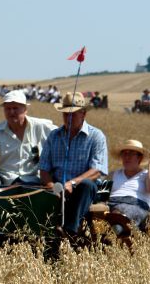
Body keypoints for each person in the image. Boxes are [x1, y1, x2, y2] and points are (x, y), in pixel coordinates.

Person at [39, 91, 108, 237]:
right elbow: (44, 169)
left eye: (73, 114)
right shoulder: (53, 136)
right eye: (65, 114)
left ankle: (69, 231)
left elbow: (97, 170)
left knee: (87, 185)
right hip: (57, 188)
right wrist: (52, 187)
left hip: (83, 191)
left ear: (83, 114)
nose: (68, 118)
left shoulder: (96, 136)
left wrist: (72, 183)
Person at [0, 90, 56, 185]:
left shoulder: (43, 127)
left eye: (15, 108)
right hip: (2, 177)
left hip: (32, 179)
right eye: (8, 109)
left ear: (25, 109)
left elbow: (63, 135)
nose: (11, 112)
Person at [107, 139, 150, 234]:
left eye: (131, 154)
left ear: (139, 158)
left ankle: (113, 235)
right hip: (111, 203)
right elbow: (101, 194)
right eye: (124, 154)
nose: (127, 157)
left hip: (136, 205)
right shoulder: (113, 174)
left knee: (125, 212)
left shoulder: (147, 175)